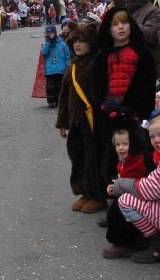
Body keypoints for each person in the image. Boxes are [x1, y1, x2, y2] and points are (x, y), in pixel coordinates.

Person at [93, 8, 157, 188]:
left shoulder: (143, 54)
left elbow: (146, 87)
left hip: (134, 113)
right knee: (110, 155)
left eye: (124, 23)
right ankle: (111, 189)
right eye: (115, 24)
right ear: (108, 29)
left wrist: (131, 109)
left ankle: (138, 191)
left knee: (136, 156)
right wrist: (105, 106)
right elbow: (97, 85)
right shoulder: (103, 56)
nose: (120, 27)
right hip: (109, 113)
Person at [116, 113, 160, 264]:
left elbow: (147, 189)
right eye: (152, 136)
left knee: (126, 200)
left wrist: (119, 184)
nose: (156, 140)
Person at [56, 22, 106, 213]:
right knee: (77, 156)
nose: (78, 44)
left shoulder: (98, 63)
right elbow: (64, 94)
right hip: (76, 121)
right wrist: (62, 122)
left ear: (91, 43)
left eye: (83, 41)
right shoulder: (73, 65)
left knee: (94, 157)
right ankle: (85, 190)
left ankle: (98, 194)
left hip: (94, 121)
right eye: (75, 40)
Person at [102, 115, 153, 259]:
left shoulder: (142, 158)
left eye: (125, 144)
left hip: (142, 194)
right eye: (118, 145)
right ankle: (126, 240)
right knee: (115, 208)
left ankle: (125, 243)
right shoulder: (122, 160)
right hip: (130, 192)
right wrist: (114, 186)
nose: (121, 148)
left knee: (119, 209)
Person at [122, 0, 160, 70]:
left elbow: (152, 34)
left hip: (147, 63)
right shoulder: (127, 10)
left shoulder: (152, 11)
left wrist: (129, 25)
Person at [41, 25, 71, 108]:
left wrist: (68, 67)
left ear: (55, 33)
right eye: (48, 33)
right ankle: (51, 101)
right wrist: (48, 41)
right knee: (50, 87)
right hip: (50, 70)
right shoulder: (46, 44)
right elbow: (44, 52)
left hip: (61, 69)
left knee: (60, 86)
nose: (51, 35)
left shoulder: (62, 44)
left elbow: (67, 56)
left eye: (52, 33)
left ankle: (59, 101)